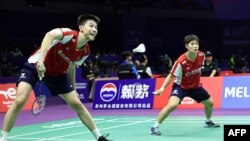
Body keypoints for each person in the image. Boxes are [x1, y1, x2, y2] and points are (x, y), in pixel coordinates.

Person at [0, 14, 111, 141]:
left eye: (96, 27)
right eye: (91, 26)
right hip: (35, 66)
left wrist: (73, 88)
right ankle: (3, 138)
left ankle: (99, 137)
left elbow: (71, 67)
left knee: (77, 104)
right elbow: (49, 35)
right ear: (81, 27)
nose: (94, 30)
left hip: (58, 75)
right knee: (19, 101)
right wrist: (41, 61)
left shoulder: (85, 51)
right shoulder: (68, 34)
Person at [151, 34, 220, 136]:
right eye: (192, 44)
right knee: (172, 105)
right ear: (187, 46)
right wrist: (162, 89)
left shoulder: (201, 56)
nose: (195, 46)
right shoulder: (181, 61)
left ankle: (208, 121)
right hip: (181, 87)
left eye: (196, 44)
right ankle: (155, 126)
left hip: (196, 87)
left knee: (210, 103)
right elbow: (171, 75)